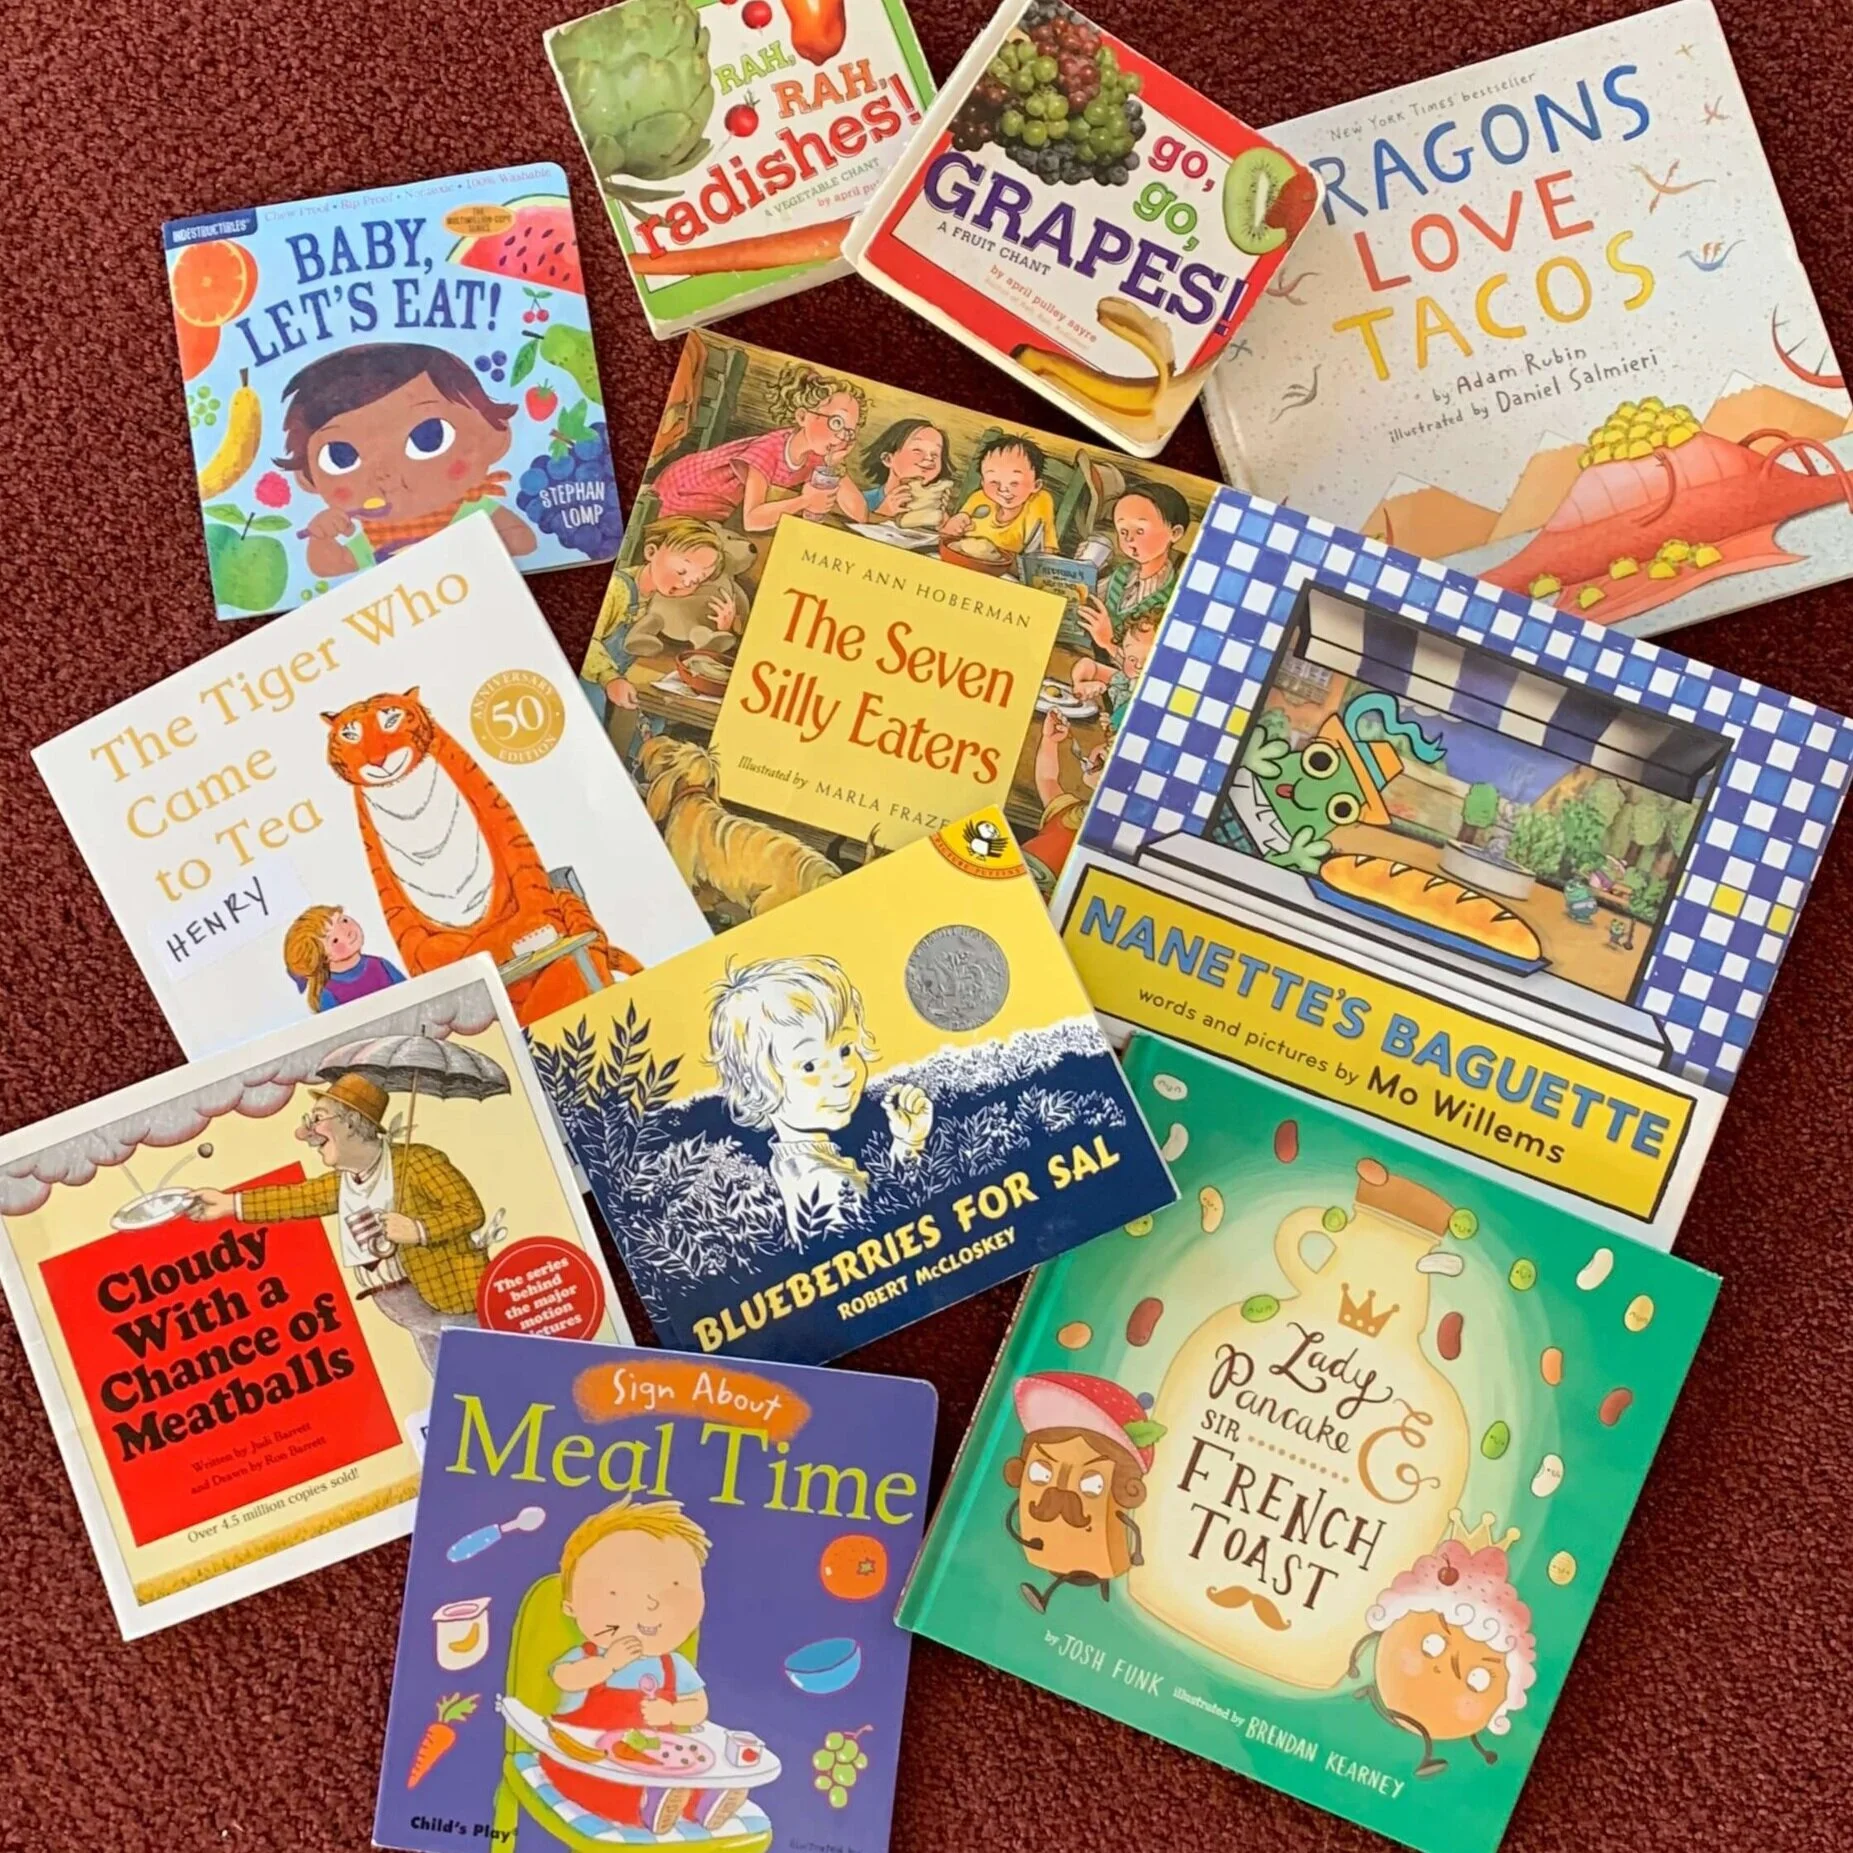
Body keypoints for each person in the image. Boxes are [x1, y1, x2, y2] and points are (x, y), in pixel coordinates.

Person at [185, 1072, 484, 1373]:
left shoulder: (417, 1161)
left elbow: (469, 1211)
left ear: (352, 1122)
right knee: (448, 1382)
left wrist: (418, 1230)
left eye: (316, 1119)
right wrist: (228, 1203)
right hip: (408, 1313)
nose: (304, 1133)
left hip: (451, 1300)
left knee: (488, 1370)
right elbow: (297, 1198)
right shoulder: (345, 1183)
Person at [540, 1498, 744, 1836]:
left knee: (689, 1778)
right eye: (617, 1591)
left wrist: (673, 1712)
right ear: (571, 1607)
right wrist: (607, 1663)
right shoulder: (586, 1656)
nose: (651, 1602)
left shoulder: (672, 1665)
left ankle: (703, 1804)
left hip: (658, 1762)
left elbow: (698, 1706)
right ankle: (645, 1807)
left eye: (673, 1588)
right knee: (593, 1784)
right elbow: (566, 1679)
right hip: (588, 1760)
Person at [706, 955, 932, 1239]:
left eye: (845, 1050)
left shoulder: (796, 1164)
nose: (844, 1074)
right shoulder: (824, 1181)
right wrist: (911, 1147)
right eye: (810, 1066)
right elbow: (901, 1233)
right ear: (757, 1084)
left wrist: (908, 1142)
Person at [274, 342, 534, 573]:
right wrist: (322, 539)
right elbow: (333, 566)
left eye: (429, 438)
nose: (385, 475)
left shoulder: (472, 510)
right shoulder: (378, 536)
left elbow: (525, 541)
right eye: (341, 457)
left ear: (494, 435)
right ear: (307, 478)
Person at [649, 363, 868, 531]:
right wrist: (805, 501)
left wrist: (837, 467)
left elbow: (860, 515)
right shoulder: (768, 450)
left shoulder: (818, 456)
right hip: (682, 498)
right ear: (803, 416)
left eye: (850, 430)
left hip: (725, 513)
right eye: (837, 423)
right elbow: (752, 520)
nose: (842, 436)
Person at [583, 517, 746, 713]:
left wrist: (721, 629)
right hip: (587, 678)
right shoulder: (616, 588)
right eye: (682, 571)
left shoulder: (664, 600)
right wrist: (610, 679)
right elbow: (586, 640)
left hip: (620, 681)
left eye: (697, 580)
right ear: (651, 552)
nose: (687, 583)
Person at [1077, 481, 1191, 656]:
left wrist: (1108, 642)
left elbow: (1140, 664)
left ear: (1174, 533)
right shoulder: (1123, 573)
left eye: (1140, 531)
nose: (1129, 539)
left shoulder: (1170, 598)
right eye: (1123, 531)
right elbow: (1089, 597)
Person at [940, 434, 1059, 559]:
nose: (1003, 489)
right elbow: (951, 534)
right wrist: (954, 526)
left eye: (1014, 483)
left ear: (1036, 485)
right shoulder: (979, 498)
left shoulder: (1039, 500)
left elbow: (1043, 552)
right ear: (983, 482)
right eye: (994, 482)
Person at [282, 904, 405, 1012]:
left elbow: (409, 994)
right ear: (323, 958)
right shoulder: (327, 994)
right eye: (335, 940)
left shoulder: (381, 965)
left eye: (344, 921)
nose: (348, 931)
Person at [844, 417, 953, 524]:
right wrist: (880, 514)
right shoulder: (861, 502)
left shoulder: (937, 512)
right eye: (917, 451)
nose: (929, 459)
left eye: (935, 454)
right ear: (888, 459)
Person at [1069, 607, 1159, 732]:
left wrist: (1115, 726)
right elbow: (1087, 665)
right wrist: (1080, 683)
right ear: (1123, 653)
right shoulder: (1126, 679)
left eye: (1148, 660)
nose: (1138, 666)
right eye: (1132, 659)